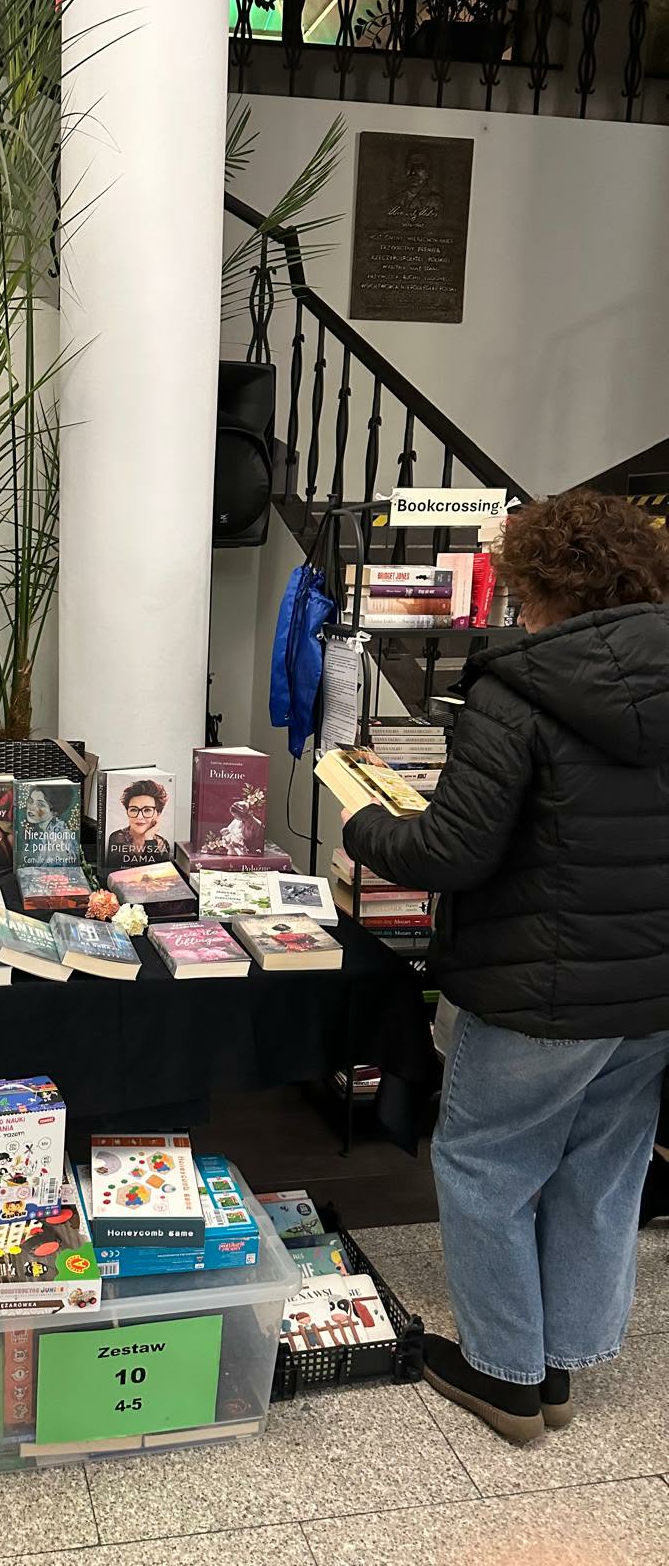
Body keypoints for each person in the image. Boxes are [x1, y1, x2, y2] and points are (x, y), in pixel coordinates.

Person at [343, 490, 669, 1445]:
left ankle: (507, 1378)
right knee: (601, 1171)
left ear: (540, 584)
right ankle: (560, 1363)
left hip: (537, 988)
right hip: (652, 990)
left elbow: (452, 851)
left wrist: (365, 824)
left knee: (486, 1163)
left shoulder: (517, 690)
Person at [105, 778, 172, 866]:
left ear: (158, 814)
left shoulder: (162, 843)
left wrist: (149, 838)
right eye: (133, 810)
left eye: (147, 810)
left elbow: (157, 872)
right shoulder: (117, 838)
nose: (139, 816)